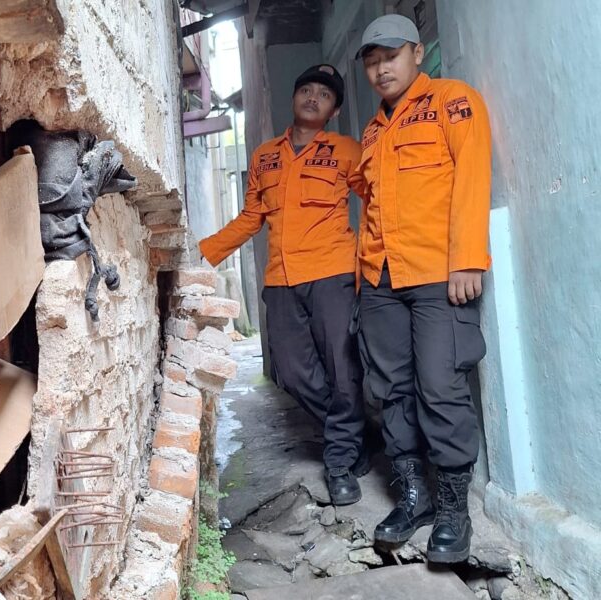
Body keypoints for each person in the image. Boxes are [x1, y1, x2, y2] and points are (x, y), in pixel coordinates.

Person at [352, 14, 492, 563]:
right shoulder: (372, 131)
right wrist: (363, 277)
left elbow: (472, 178)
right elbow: (370, 206)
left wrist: (467, 260)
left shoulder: (453, 102)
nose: (381, 69)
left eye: (390, 56)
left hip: (438, 273)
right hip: (380, 279)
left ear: (417, 52)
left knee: (441, 386)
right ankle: (415, 497)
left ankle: (454, 510)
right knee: (391, 390)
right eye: (371, 61)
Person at [199, 65, 368, 505]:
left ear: (334, 111)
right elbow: (250, 218)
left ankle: (339, 461)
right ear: (294, 98)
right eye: (306, 90)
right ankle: (350, 434)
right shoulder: (264, 157)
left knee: (342, 369)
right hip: (281, 279)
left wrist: (372, 259)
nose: (313, 98)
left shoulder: (347, 151)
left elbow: (376, 200)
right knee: (291, 372)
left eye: (324, 95)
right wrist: (204, 253)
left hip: (332, 274)